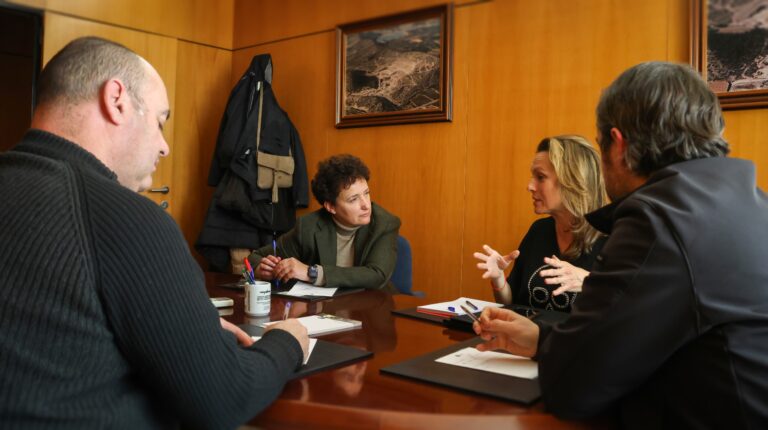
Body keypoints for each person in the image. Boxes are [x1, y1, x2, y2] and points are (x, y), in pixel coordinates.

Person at [0, 36, 309, 429]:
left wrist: (171, 323)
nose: (164, 147)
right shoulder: (126, 217)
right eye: (161, 120)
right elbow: (225, 398)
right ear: (117, 100)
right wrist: (288, 341)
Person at [473, 62, 768, 427]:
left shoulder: (659, 218)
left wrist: (551, 349)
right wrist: (541, 338)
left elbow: (572, 386)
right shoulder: (751, 202)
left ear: (618, 144)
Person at [474, 135, 607, 312]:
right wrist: (498, 278)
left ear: (572, 181)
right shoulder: (539, 230)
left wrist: (587, 281)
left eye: (541, 177)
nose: (530, 186)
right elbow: (512, 303)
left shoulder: (613, 237)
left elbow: (634, 309)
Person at [249, 154, 400, 290]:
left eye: (366, 193)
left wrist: (312, 273)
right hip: (324, 311)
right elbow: (254, 258)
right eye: (353, 199)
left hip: (372, 309)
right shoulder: (308, 226)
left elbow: (376, 275)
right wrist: (263, 270)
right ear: (331, 207)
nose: (366, 205)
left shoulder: (384, 223)